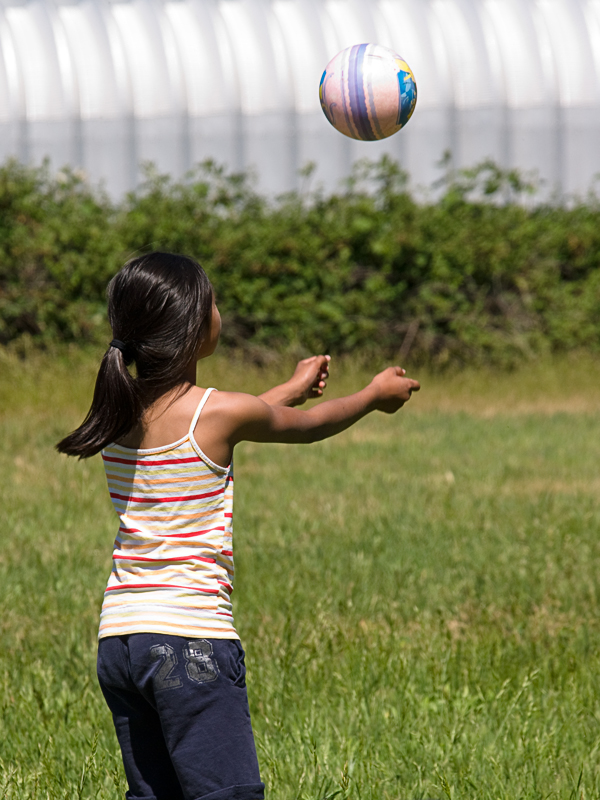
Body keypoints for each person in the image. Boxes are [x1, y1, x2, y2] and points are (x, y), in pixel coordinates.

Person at [56, 251, 420, 800]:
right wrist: (373, 396)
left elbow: (237, 419)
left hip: (122, 641)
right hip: (190, 640)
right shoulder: (218, 413)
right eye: (214, 303)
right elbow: (306, 426)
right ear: (195, 328)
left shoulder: (118, 411)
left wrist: (289, 388)